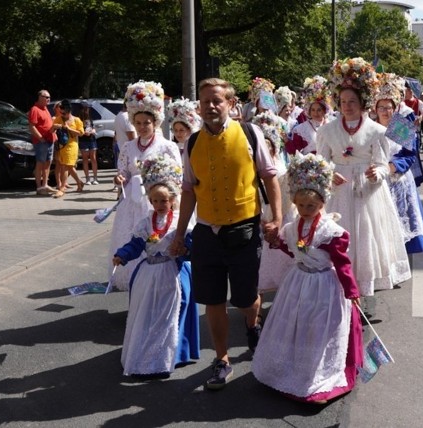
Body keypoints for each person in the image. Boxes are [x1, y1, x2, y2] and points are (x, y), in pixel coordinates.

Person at [169, 77, 282, 391]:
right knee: (214, 300)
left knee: (246, 298)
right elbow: (189, 191)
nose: (210, 106)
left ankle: (251, 322)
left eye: (217, 100)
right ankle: (222, 360)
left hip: (244, 227)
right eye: (205, 101)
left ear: (231, 104)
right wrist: (180, 234)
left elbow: (270, 177)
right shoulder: (191, 142)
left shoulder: (249, 133)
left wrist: (277, 218)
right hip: (207, 231)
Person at [252, 153, 362, 404]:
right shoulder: (293, 227)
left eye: (310, 206)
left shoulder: (331, 231)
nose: (305, 210)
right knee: (295, 323)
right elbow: (293, 249)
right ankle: (288, 369)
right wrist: (274, 240)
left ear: (322, 203)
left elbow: (342, 264)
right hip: (298, 281)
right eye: (300, 206)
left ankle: (315, 372)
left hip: (323, 286)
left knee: (317, 327)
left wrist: (351, 291)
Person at [317, 57, 411, 297]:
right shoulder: (327, 131)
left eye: (352, 101)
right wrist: (329, 173)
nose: (347, 106)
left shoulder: (377, 131)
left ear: (363, 102)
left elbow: (382, 163)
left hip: (367, 194)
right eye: (343, 101)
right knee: (338, 235)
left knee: (365, 239)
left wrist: (376, 173)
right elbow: (321, 162)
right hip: (338, 193)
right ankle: (337, 288)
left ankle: (361, 290)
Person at [113, 154, 197, 379]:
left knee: (172, 311)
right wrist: (122, 255)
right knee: (148, 311)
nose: (160, 205)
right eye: (155, 201)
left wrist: (186, 249)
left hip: (171, 272)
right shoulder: (145, 223)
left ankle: (171, 353)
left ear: (172, 200)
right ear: (150, 201)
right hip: (148, 273)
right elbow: (136, 244)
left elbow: (190, 245)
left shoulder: (181, 222)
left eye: (164, 200)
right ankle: (145, 348)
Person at [108, 81, 181, 291]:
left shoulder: (167, 146)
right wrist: (120, 178)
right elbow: (123, 170)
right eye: (138, 123)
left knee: (156, 244)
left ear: (155, 122)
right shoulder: (128, 147)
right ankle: (136, 287)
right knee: (134, 241)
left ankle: (160, 286)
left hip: (156, 202)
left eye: (146, 122)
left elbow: (177, 175)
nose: (141, 127)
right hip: (132, 201)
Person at [375, 73, 423, 254]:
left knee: (400, 224)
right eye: (381, 107)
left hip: (397, 180)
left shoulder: (400, 127)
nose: (385, 111)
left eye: (389, 107)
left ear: (395, 107)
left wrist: (391, 167)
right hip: (376, 183)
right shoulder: (370, 127)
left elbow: (409, 154)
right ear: (375, 109)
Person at [253, 111, 295, 294]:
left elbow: (283, 194)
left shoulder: (278, 167)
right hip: (262, 213)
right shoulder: (253, 165)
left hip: (281, 213)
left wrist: (273, 215)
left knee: (283, 255)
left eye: (268, 145)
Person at [287, 75, 331, 155]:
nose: (316, 113)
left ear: (324, 111)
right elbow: (293, 151)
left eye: (319, 110)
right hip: (310, 165)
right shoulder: (301, 129)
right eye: (313, 110)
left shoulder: (331, 125)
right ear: (309, 111)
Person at [52, 100, 86, 198]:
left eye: (64, 112)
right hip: (62, 146)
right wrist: (55, 126)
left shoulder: (76, 120)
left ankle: (62, 188)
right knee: (69, 166)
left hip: (72, 145)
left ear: (69, 111)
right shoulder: (58, 119)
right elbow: (51, 130)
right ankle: (79, 182)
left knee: (65, 166)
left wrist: (68, 128)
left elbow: (81, 133)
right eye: (61, 112)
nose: (62, 114)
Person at [28, 89, 57, 196]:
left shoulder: (45, 109)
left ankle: (45, 184)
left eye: (49, 97)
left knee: (48, 162)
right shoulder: (35, 109)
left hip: (50, 140)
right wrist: (41, 138)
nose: (48, 99)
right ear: (40, 97)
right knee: (40, 163)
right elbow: (32, 127)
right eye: (46, 97)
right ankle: (39, 187)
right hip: (42, 142)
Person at [113, 100, 137, 191]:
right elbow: (132, 136)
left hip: (121, 148)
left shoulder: (119, 115)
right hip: (130, 151)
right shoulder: (127, 117)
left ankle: (120, 193)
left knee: (121, 173)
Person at [79, 101, 99, 185]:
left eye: (88, 108)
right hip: (83, 140)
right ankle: (87, 178)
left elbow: (92, 126)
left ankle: (95, 178)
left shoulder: (90, 118)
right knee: (85, 159)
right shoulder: (78, 119)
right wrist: (83, 132)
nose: (88, 110)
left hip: (92, 139)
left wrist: (93, 130)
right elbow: (78, 131)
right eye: (86, 108)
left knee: (93, 158)